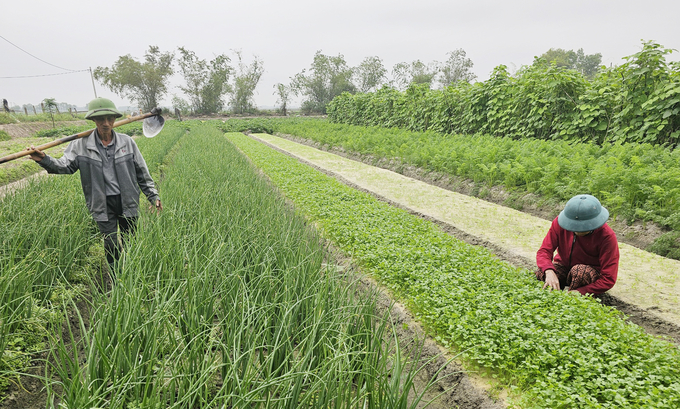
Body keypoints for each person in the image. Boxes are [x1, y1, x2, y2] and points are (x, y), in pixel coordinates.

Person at [27, 97, 162, 279]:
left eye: (109, 118)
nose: (106, 123)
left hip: (127, 201)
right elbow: (64, 166)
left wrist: (152, 196)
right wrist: (44, 159)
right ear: (93, 120)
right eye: (101, 119)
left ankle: (134, 278)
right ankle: (117, 280)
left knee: (131, 241)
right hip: (101, 204)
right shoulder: (81, 145)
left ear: (115, 119)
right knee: (111, 245)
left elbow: (142, 172)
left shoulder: (127, 142)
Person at [536, 194, 619, 296]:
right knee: (542, 272)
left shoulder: (607, 236)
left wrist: (580, 292)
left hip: (588, 274)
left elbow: (608, 278)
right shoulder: (560, 224)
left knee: (579, 272)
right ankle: (555, 292)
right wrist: (548, 271)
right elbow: (544, 251)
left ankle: (573, 299)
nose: (576, 230)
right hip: (564, 266)